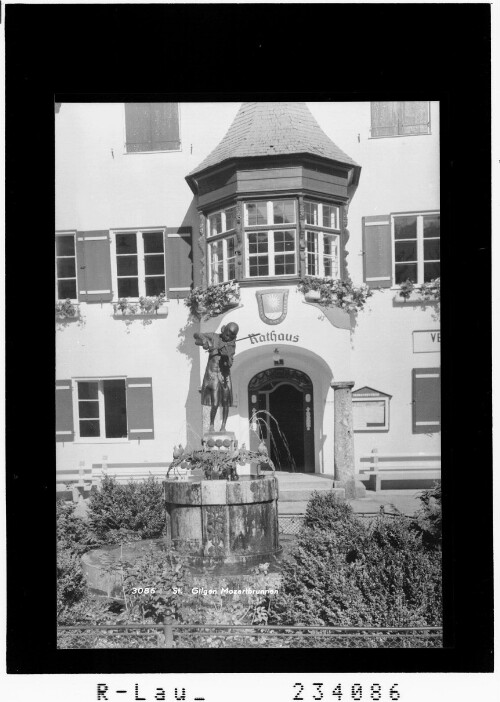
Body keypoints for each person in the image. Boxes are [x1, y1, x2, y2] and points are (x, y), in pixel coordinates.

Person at [194, 322, 239, 432]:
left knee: (225, 402)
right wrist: (206, 341)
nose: (228, 338)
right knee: (215, 402)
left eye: (231, 337)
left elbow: (229, 363)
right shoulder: (214, 336)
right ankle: (212, 425)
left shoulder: (231, 345)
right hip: (213, 374)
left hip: (224, 375)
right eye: (227, 335)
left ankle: (223, 426)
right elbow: (197, 335)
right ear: (223, 330)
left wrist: (227, 357)